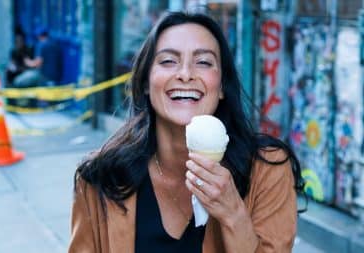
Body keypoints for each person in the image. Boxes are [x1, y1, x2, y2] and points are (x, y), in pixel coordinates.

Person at [69, 11, 304, 253]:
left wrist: (233, 213)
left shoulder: (267, 169)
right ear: (146, 83)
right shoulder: (100, 178)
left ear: (222, 86)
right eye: (168, 61)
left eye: (203, 62)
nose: (185, 74)